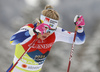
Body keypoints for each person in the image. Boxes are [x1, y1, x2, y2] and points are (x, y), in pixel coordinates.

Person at [7, 5, 85, 72]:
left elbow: (79, 40)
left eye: (51, 30)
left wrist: (80, 28)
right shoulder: (29, 29)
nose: (47, 33)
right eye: (45, 28)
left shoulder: (55, 33)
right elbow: (13, 40)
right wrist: (33, 31)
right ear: (38, 23)